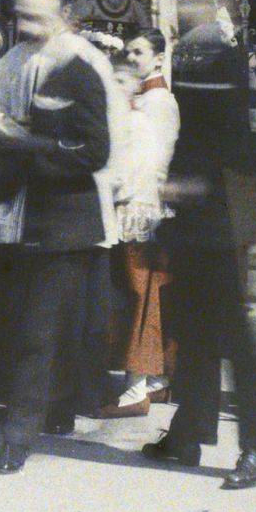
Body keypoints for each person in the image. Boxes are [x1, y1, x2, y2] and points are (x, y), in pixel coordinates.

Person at [0, 0, 115, 474]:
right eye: (21, 15)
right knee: (18, 318)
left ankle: (19, 436)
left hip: (65, 218)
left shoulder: (81, 68)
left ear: (64, 18)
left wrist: (25, 144)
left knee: (41, 328)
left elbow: (97, 151)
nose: (24, 24)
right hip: (20, 209)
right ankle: (43, 410)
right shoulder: (15, 60)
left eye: (37, 16)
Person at [144, 0, 256, 490]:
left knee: (232, 338)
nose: (181, 10)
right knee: (194, 331)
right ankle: (188, 435)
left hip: (217, 215)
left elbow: (228, 141)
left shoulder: (217, 57)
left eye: (189, 2)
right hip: (193, 215)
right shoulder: (198, 53)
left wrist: (185, 183)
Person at [100, 27, 177, 417]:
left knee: (138, 294)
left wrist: (133, 200)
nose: (132, 59)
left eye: (139, 52)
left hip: (141, 204)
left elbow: (152, 161)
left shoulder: (158, 101)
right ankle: (153, 379)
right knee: (140, 293)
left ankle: (136, 387)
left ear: (159, 57)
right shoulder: (141, 98)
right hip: (137, 201)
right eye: (128, 52)